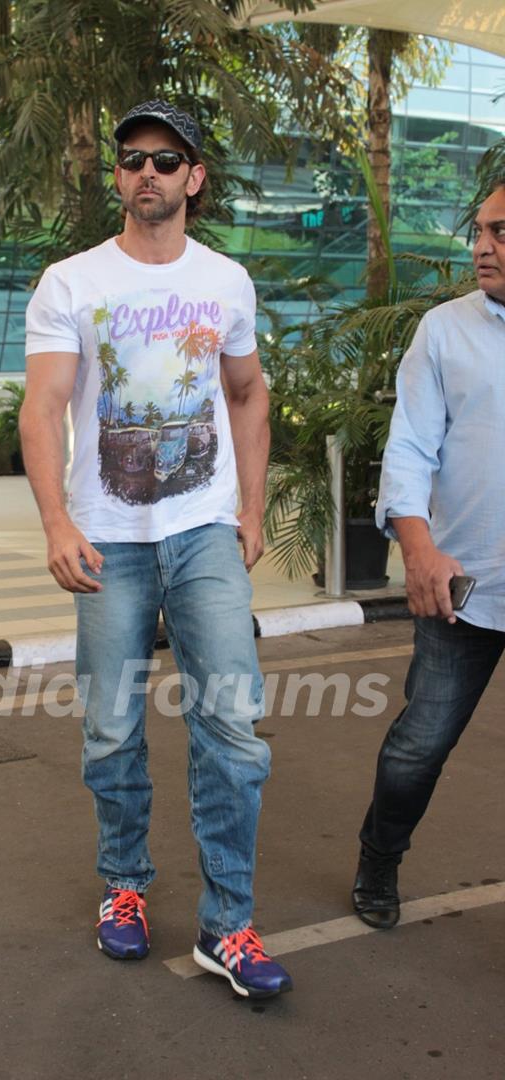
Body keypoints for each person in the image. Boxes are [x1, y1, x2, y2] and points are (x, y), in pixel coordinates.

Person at [20, 100, 292, 999]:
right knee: (111, 729)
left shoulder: (227, 282)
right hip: (109, 539)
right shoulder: (71, 281)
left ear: (194, 177)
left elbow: (248, 395)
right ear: (120, 177)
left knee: (233, 728)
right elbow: (45, 406)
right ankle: (125, 888)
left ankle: (229, 925)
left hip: (205, 529)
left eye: (166, 160)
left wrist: (250, 510)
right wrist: (59, 521)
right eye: (133, 159)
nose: (147, 173)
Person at [352, 177, 505, 930]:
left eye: (500, 231)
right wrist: (418, 551)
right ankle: (380, 854)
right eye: (479, 231)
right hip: (463, 587)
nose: (482, 246)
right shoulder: (445, 331)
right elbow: (408, 447)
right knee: (420, 744)